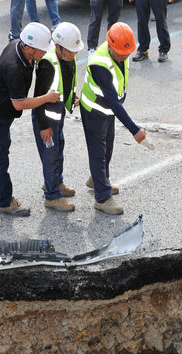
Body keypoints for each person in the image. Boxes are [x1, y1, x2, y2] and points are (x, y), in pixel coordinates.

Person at [0, 22, 61, 217]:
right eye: (41, 51)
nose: (44, 54)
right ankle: (5, 202)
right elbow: (20, 104)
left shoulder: (18, 45)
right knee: (0, 154)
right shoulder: (14, 67)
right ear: (30, 48)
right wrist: (47, 98)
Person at [80, 22, 147, 214]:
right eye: (121, 53)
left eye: (127, 52)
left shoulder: (120, 50)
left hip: (107, 111)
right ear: (110, 46)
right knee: (98, 151)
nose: (125, 56)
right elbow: (114, 102)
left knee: (107, 147)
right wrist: (135, 130)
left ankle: (98, 179)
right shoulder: (100, 64)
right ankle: (102, 197)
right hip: (94, 111)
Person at [31, 22, 84, 212]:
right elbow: (38, 98)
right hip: (45, 119)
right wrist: (44, 127)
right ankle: (52, 196)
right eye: (70, 51)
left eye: (75, 51)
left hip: (57, 115)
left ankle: (56, 182)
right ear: (59, 47)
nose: (73, 54)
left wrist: (72, 97)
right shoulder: (48, 63)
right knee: (50, 155)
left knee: (58, 150)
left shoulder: (68, 57)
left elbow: (66, 82)